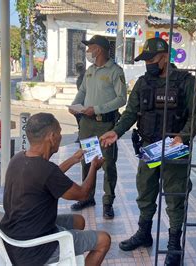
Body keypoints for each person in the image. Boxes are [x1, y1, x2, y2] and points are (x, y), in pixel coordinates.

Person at [100, 37, 196, 265]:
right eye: (145, 59)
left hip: (175, 148)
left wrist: (182, 137)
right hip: (150, 147)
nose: (148, 63)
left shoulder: (185, 81)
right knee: (145, 192)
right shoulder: (142, 83)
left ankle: (174, 245)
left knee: (175, 196)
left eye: (151, 59)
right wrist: (116, 131)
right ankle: (144, 233)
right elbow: (130, 112)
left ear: (165, 58)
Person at [0, 113, 111, 265]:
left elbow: (47, 177)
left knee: (78, 221)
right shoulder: (46, 170)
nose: (60, 136)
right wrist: (94, 166)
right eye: (59, 132)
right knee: (104, 240)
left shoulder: (19, 158)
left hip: (14, 235)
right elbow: (83, 194)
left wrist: (72, 159)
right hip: (35, 248)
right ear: (52, 136)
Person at [69, 35, 127, 219]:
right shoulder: (90, 71)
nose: (88, 52)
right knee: (87, 161)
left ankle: (108, 202)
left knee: (108, 164)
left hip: (105, 124)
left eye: (90, 48)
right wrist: (74, 105)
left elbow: (121, 98)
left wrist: (97, 109)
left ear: (99, 50)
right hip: (87, 124)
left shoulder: (115, 71)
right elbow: (83, 91)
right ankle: (87, 196)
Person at [74, 62, 86, 143]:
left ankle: (82, 135)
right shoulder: (80, 78)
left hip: (88, 101)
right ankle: (81, 134)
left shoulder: (87, 77)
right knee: (78, 115)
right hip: (82, 101)